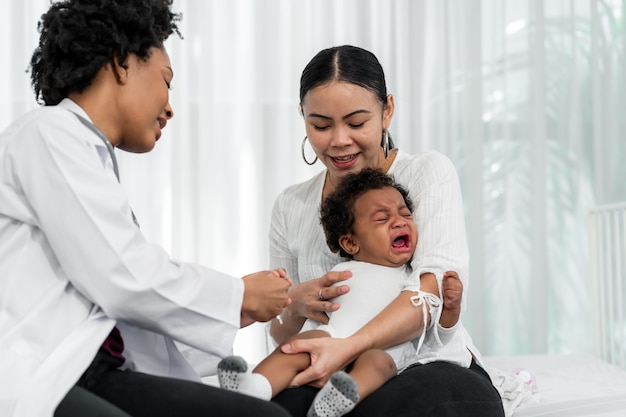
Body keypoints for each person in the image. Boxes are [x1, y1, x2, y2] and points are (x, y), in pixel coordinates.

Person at [0, 1, 292, 417]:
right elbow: (122, 276)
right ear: (122, 63)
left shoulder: (84, 153)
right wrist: (238, 297)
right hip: (41, 371)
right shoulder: (47, 133)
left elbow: (128, 309)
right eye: (166, 81)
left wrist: (238, 309)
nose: (169, 106)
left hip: (91, 370)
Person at [267, 45, 505, 416]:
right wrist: (294, 305)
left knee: (414, 405)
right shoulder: (291, 205)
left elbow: (432, 290)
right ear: (303, 118)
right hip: (329, 365)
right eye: (321, 125)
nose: (339, 140)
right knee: (275, 406)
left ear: (387, 111)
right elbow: (284, 334)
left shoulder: (426, 172)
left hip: (424, 363)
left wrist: (350, 347)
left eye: (357, 123)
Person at [216, 168, 463, 417]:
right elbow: (319, 315)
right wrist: (295, 306)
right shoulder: (341, 273)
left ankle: (337, 401)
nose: (400, 221)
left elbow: (432, 335)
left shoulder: (412, 279)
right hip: (328, 343)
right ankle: (254, 388)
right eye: (381, 218)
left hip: (383, 353)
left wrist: (450, 311)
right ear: (351, 243)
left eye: (405, 214)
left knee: (378, 363)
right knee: (296, 346)